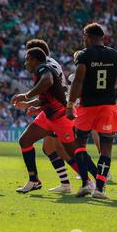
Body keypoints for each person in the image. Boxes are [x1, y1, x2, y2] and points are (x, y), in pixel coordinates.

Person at [11, 48, 97, 194]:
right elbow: (48, 95)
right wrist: (30, 104)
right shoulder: (45, 68)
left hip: (61, 116)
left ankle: (96, 179)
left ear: (34, 59)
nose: (25, 63)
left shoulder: (43, 68)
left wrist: (26, 96)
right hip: (48, 116)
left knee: (73, 151)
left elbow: (48, 81)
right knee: (25, 141)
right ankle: (34, 180)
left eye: (27, 59)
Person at [66, 23, 117, 199]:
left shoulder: (85, 55)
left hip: (87, 107)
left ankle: (85, 183)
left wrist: (70, 105)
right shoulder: (115, 55)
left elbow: (78, 80)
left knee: (79, 145)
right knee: (106, 149)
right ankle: (100, 189)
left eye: (83, 37)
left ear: (87, 36)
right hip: (108, 107)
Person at [25, 39, 81, 193]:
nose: (26, 58)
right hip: (53, 110)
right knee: (49, 148)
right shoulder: (51, 64)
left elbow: (53, 87)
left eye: (28, 55)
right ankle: (66, 183)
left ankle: (88, 180)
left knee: (63, 150)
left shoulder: (47, 66)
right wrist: (38, 106)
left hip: (58, 112)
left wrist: (29, 99)